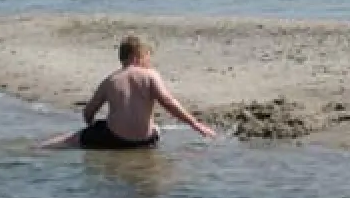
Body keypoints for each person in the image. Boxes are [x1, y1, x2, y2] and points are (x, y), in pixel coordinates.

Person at [37, 35, 217, 149]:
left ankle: (40, 148)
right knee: (156, 129)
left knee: (71, 139)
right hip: (146, 140)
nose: (149, 61)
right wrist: (196, 125)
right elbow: (169, 103)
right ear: (136, 56)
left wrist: (90, 126)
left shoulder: (110, 81)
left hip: (114, 139)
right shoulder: (150, 76)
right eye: (147, 56)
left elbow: (88, 112)